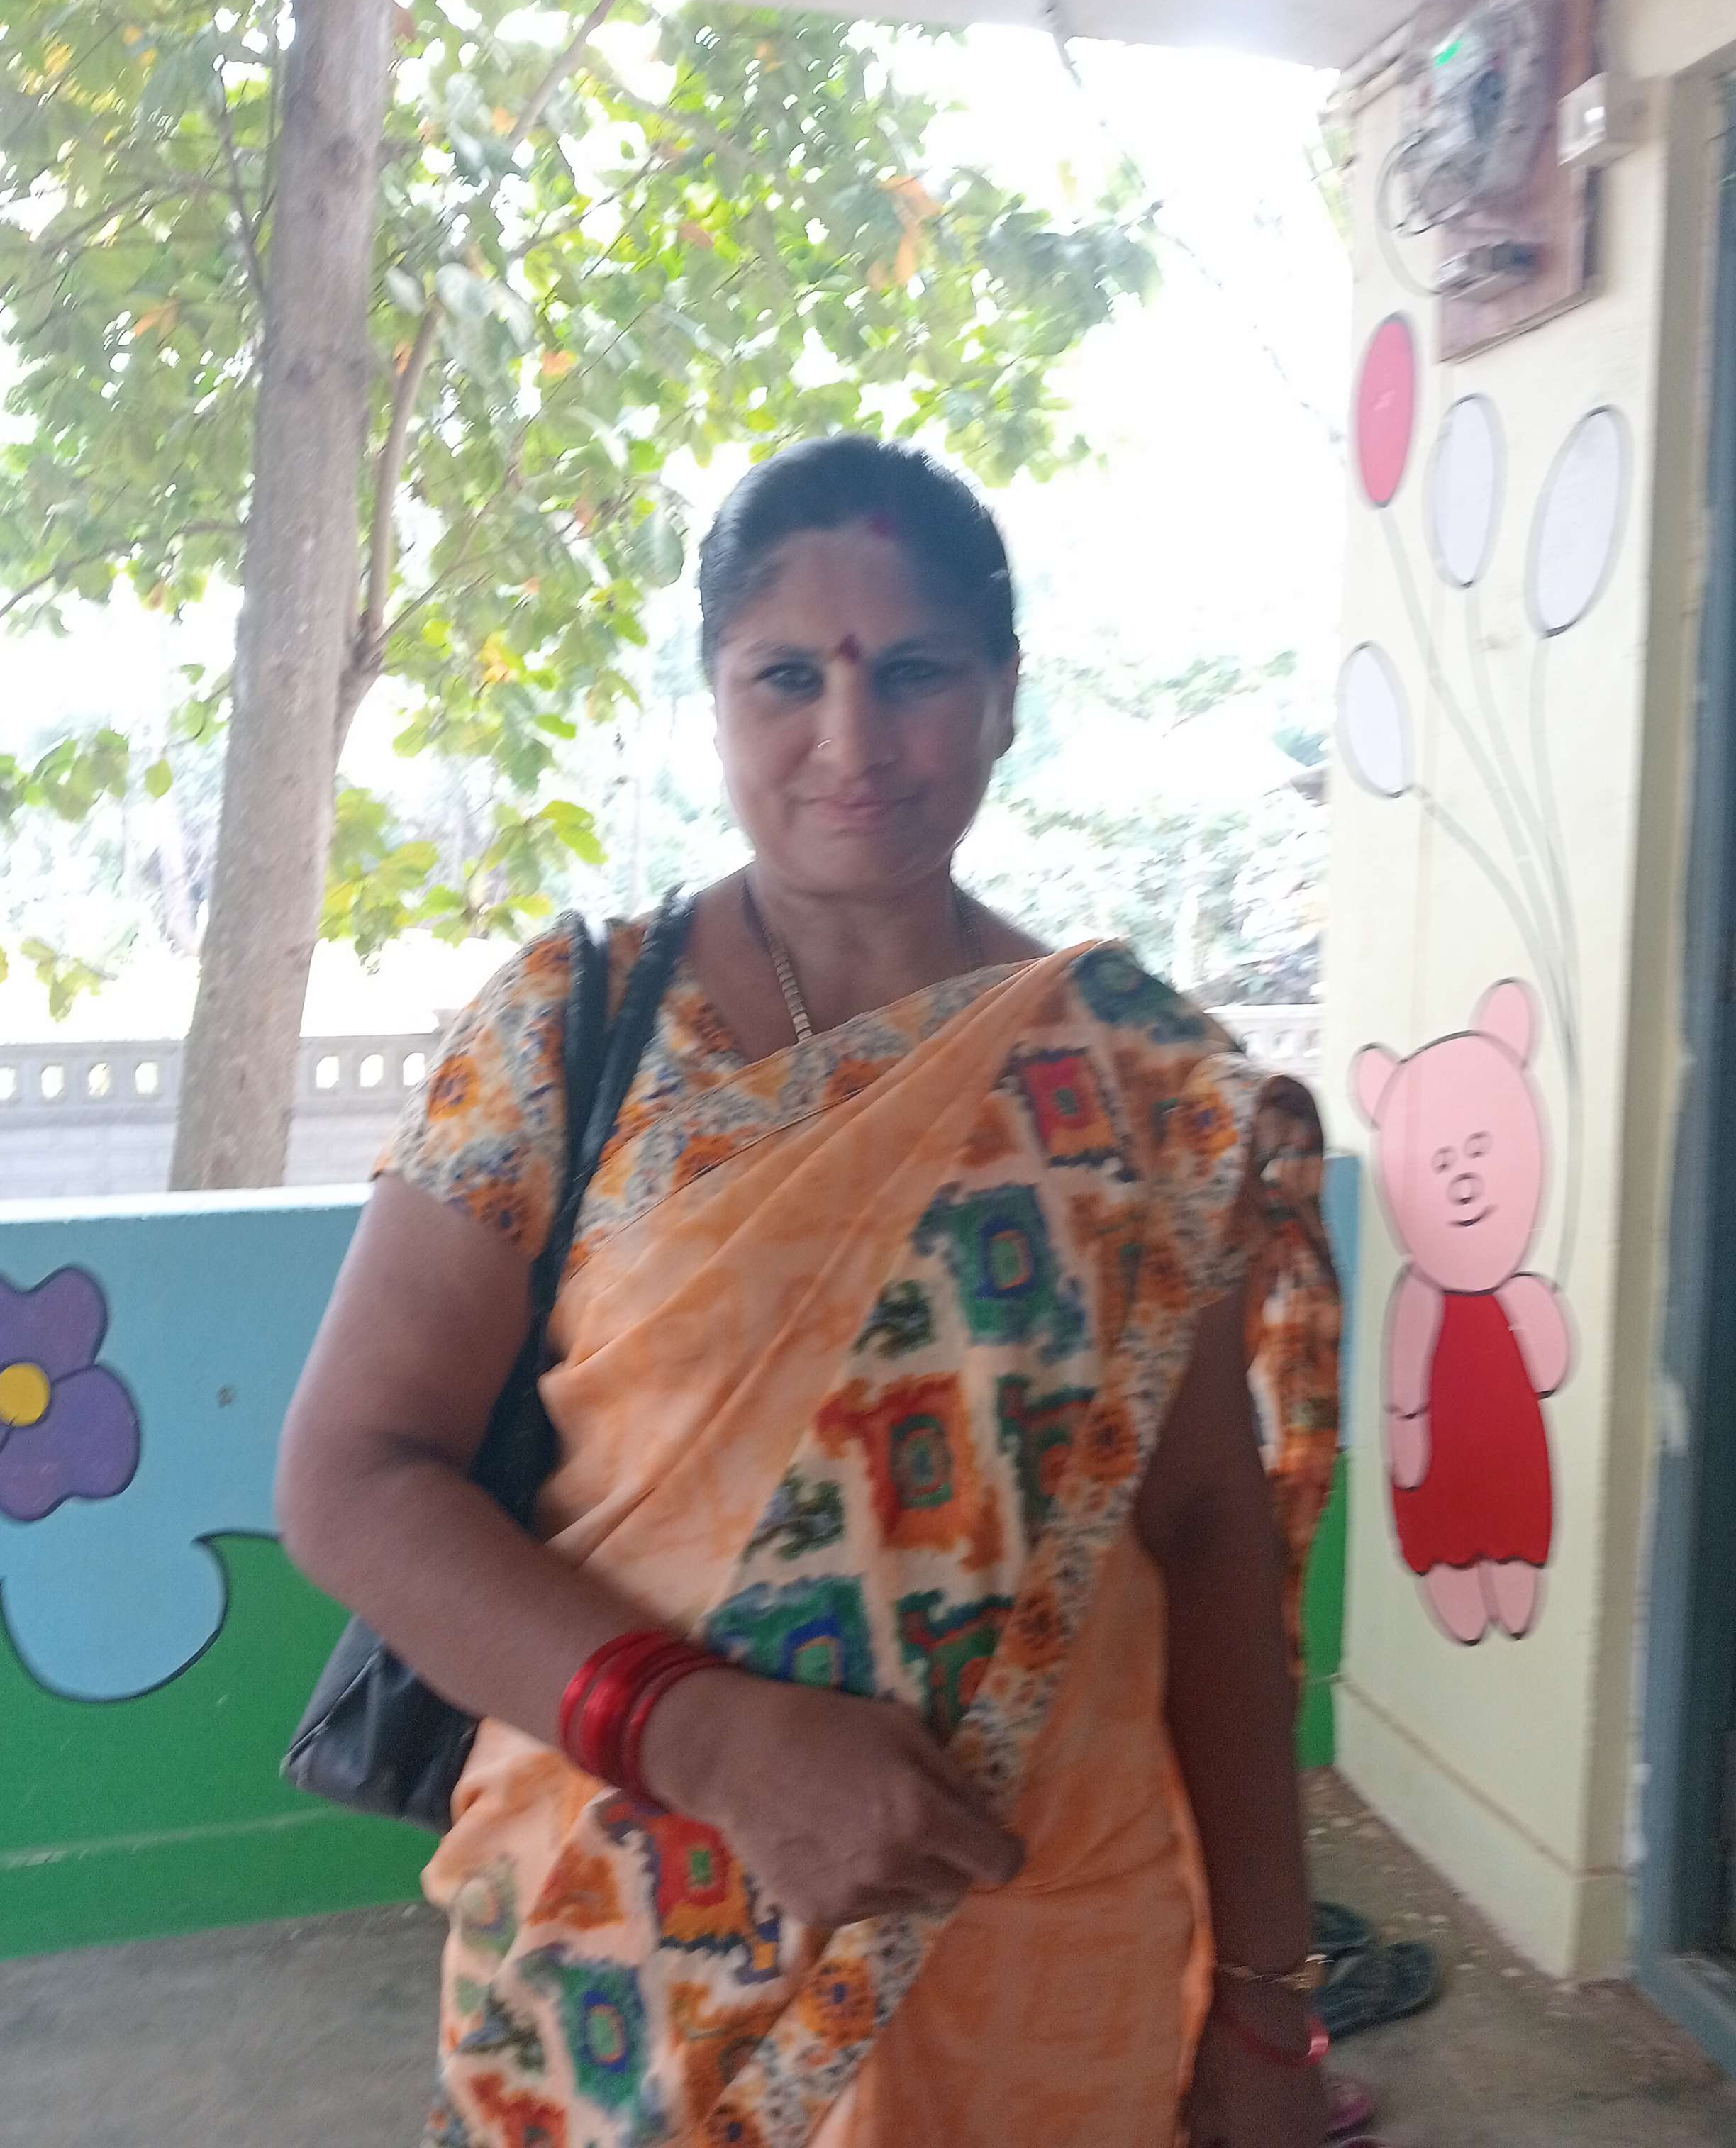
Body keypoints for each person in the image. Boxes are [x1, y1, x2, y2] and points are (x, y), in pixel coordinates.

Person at [278, 435, 1340, 2148]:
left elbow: (1211, 1538)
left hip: (1045, 1950)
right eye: (789, 678)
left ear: (1003, 699)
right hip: (627, 1957)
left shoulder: (1144, 1084)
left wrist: (1269, 2001)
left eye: (914, 674)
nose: (852, 742)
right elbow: (351, 1475)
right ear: (716, 699)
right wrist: (702, 1738)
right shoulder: (567, 1030)